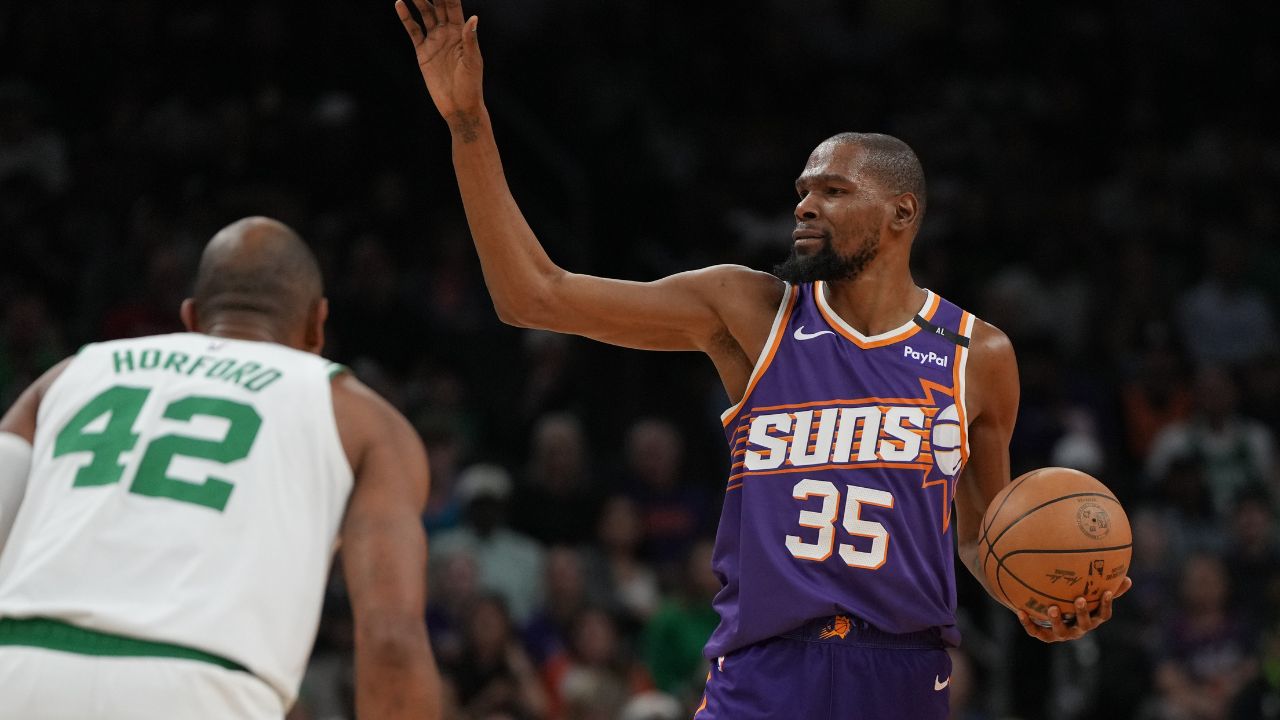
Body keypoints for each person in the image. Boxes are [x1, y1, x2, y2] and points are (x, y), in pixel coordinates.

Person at [395, 3, 1132, 717]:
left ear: (902, 214)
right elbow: (536, 296)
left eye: (834, 191)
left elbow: (979, 539)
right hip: (764, 671)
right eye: (802, 192)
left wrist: (1033, 595)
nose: (805, 207)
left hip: (904, 673)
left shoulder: (979, 354)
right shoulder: (749, 312)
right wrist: (469, 124)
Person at [0, 217, 441, 719]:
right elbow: (391, 640)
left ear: (190, 318)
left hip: (15, 666)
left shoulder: (67, 375)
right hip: (201, 686)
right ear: (318, 325)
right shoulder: (364, 420)